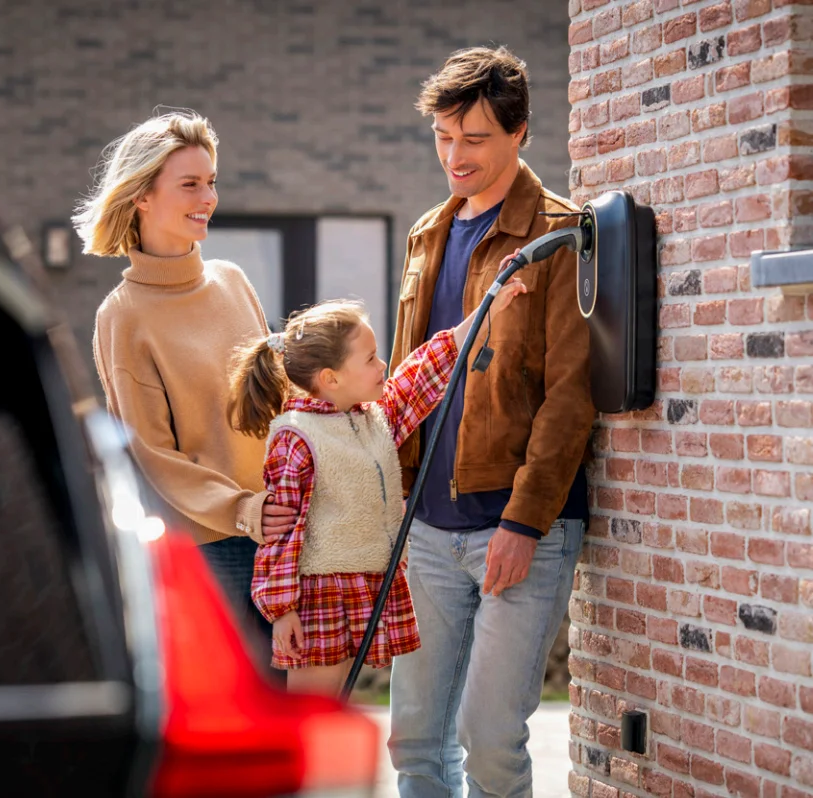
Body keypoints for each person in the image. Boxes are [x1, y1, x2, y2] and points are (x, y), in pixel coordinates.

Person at [387, 46, 595, 797]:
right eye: (444, 137)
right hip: (427, 529)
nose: (455, 155)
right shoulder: (425, 232)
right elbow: (409, 376)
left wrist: (524, 521)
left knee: (489, 744)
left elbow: (571, 396)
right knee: (413, 740)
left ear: (518, 133)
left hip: (515, 527)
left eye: (474, 138)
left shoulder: (560, 234)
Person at [227, 271, 526, 697]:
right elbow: (282, 534)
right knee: (314, 717)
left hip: (364, 583)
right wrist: (281, 611)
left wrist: (486, 311)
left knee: (337, 713)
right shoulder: (297, 438)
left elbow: (424, 372)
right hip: (320, 595)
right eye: (368, 358)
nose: (382, 364)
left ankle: (336, 769)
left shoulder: (374, 418)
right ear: (331, 379)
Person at [73, 111, 297, 671]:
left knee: (285, 715)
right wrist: (243, 509)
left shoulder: (231, 279)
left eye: (212, 181)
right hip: (212, 547)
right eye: (190, 184)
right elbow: (149, 454)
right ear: (142, 196)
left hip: (282, 531)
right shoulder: (123, 316)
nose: (209, 198)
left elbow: (274, 398)